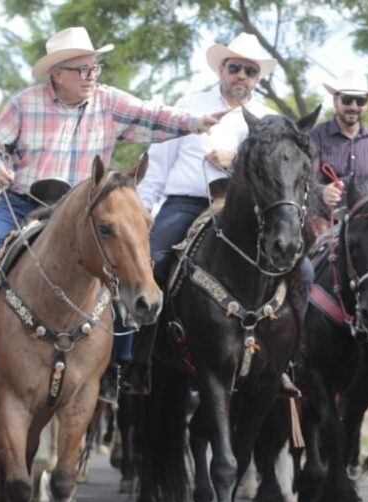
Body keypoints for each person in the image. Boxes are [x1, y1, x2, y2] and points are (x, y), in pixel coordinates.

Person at [0, 26, 225, 389]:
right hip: (23, 202)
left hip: (83, 214)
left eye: (95, 68)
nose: (92, 77)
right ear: (57, 73)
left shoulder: (109, 102)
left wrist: (196, 123)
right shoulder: (25, 102)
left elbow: (154, 115)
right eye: (82, 70)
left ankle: (115, 367)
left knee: (128, 272)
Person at [119, 32, 299, 397]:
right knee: (150, 264)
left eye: (250, 71)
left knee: (301, 273)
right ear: (221, 69)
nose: (242, 76)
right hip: (186, 202)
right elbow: (156, 169)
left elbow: (280, 177)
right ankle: (137, 360)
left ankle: (283, 363)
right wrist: (142, 217)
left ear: (258, 78)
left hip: (247, 216)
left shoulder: (269, 119)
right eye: (235, 68)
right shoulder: (189, 105)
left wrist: (237, 164)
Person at [312, 69, 368, 222]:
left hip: (367, 224)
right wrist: (322, 191)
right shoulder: (316, 136)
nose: (353, 106)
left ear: (367, 103)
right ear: (335, 101)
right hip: (325, 222)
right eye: (347, 100)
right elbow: (303, 181)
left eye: (360, 100)